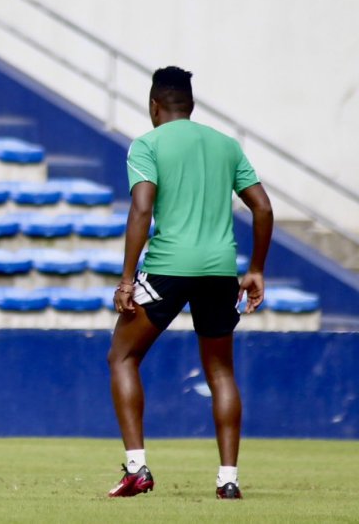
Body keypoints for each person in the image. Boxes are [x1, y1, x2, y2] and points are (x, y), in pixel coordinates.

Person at [107, 67, 273, 499]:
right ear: (192, 106)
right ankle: (229, 479)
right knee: (220, 371)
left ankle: (137, 470)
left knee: (122, 357)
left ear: (154, 106)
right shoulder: (226, 145)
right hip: (220, 272)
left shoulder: (147, 144)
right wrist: (255, 268)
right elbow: (263, 208)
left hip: (168, 267)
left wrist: (127, 279)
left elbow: (142, 210)